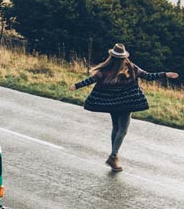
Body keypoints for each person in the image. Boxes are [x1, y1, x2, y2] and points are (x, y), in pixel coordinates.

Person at [73, 43, 177, 171]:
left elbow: (91, 79)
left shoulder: (106, 70)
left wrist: (76, 86)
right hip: (127, 104)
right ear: (124, 57)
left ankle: (114, 157)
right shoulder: (131, 68)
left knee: (116, 128)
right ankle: (113, 156)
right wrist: (165, 74)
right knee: (123, 130)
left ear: (111, 57)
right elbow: (149, 76)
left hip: (112, 104)